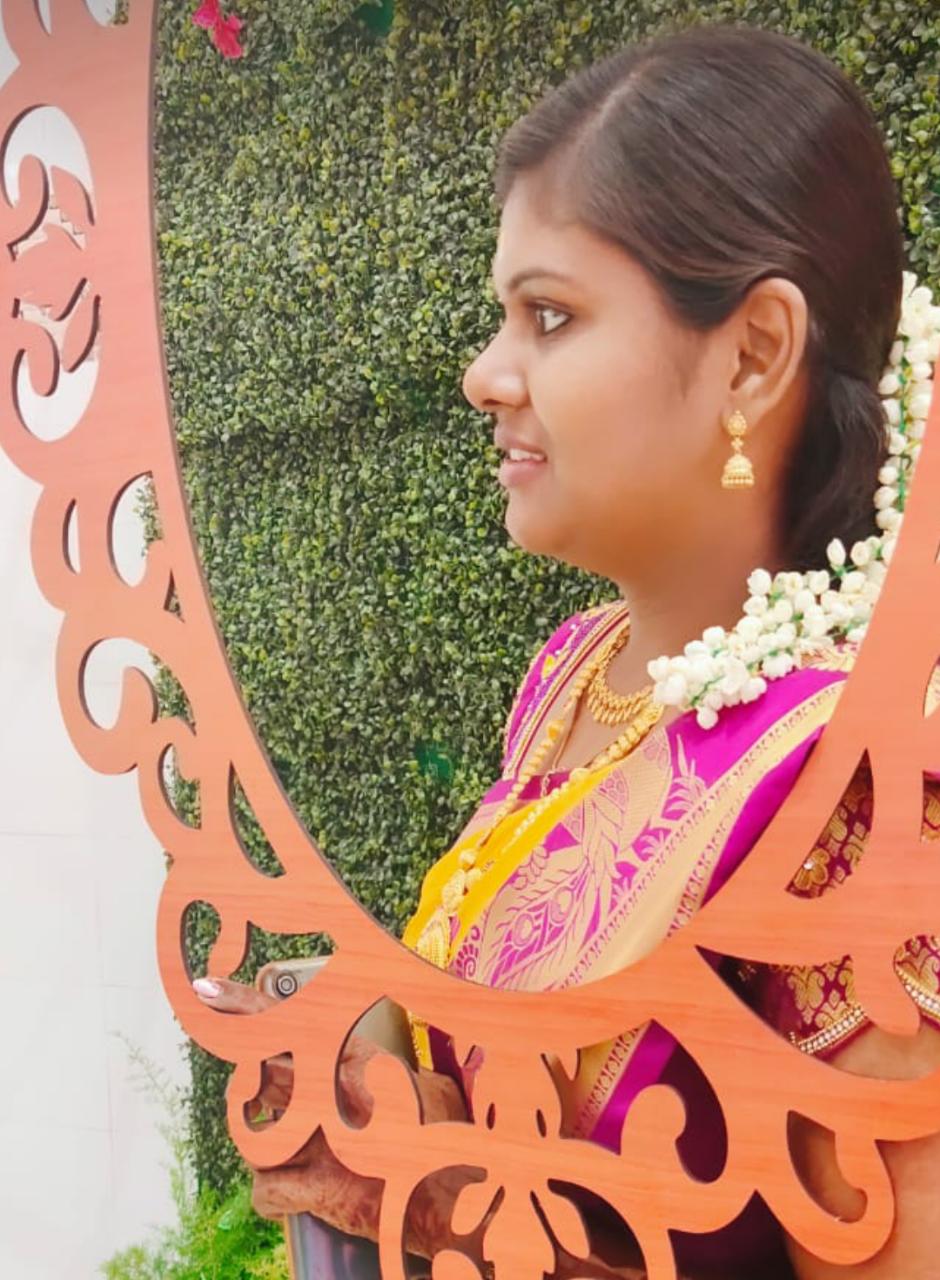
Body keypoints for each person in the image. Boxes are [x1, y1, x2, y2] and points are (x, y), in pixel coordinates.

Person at [192, 22, 940, 1279]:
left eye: (549, 315)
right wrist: (366, 1033)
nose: (485, 376)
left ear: (753, 352)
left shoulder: (855, 795)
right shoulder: (576, 673)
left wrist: (441, 1207)